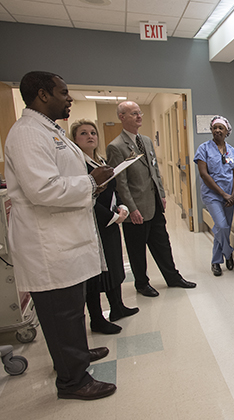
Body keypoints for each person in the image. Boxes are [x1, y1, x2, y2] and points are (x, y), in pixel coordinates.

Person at [4, 71, 116, 400]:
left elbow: (68, 176)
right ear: (42, 95)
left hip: (65, 238)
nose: (69, 98)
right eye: (63, 93)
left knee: (71, 309)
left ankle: (75, 356)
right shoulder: (27, 134)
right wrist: (91, 182)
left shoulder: (50, 130)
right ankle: (73, 381)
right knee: (60, 312)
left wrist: (93, 183)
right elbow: (42, 189)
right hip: (48, 244)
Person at [106, 101, 196, 297]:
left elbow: (155, 169)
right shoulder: (116, 147)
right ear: (122, 117)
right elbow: (121, 183)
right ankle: (141, 283)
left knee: (162, 243)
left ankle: (173, 277)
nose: (139, 117)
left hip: (154, 203)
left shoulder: (145, 141)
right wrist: (131, 208)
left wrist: (162, 194)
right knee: (137, 250)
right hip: (136, 208)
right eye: (133, 114)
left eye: (140, 113)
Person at [70, 119, 139, 334]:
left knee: (115, 263)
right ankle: (97, 318)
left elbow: (113, 190)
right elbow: (85, 198)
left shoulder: (101, 161)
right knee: (97, 271)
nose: (90, 136)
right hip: (94, 224)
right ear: (74, 140)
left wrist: (121, 207)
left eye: (93, 132)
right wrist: (111, 216)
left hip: (110, 221)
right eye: (83, 133)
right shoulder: (78, 166)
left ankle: (117, 306)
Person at [194, 116, 234, 276]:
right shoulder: (203, 149)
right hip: (212, 194)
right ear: (211, 130)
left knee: (224, 229)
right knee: (221, 226)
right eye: (215, 128)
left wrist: (233, 194)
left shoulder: (232, 151)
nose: (217, 131)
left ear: (227, 131)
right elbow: (204, 174)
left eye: (221, 128)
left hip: (230, 195)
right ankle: (228, 253)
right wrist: (223, 194)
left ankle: (215, 262)